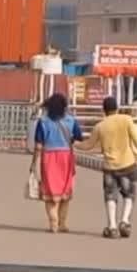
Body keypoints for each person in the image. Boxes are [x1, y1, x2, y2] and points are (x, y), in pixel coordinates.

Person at [76, 96, 137, 239]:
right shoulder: (126, 120)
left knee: (110, 195)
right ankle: (124, 221)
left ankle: (112, 226)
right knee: (129, 194)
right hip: (127, 164)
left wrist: (74, 143)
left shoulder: (100, 126)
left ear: (104, 111)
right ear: (117, 108)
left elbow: (88, 145)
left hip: (109, 167)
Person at [32, 93, 83, 233]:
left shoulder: (43, 121)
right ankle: (62, 223)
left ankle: (53, 222)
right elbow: (79, 136)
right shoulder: (71, 120)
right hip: (66, 157)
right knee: (65, 192)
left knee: (49, 193)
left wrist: (33, 163)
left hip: (48, 157)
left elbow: (38, 146)